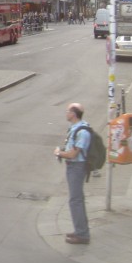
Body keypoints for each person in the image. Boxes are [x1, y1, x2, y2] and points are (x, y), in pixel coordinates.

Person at [53, 103, 91, 244]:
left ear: (74, 114)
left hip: (76, 167)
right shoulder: (76, 128)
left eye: (68, 111)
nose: (66, 113)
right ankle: (80, 230)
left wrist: (59, 153)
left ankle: (82, 234)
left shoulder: (82, 132)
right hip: (73, 167)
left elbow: (74, 154)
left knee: (75, 201)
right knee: (76, 199)